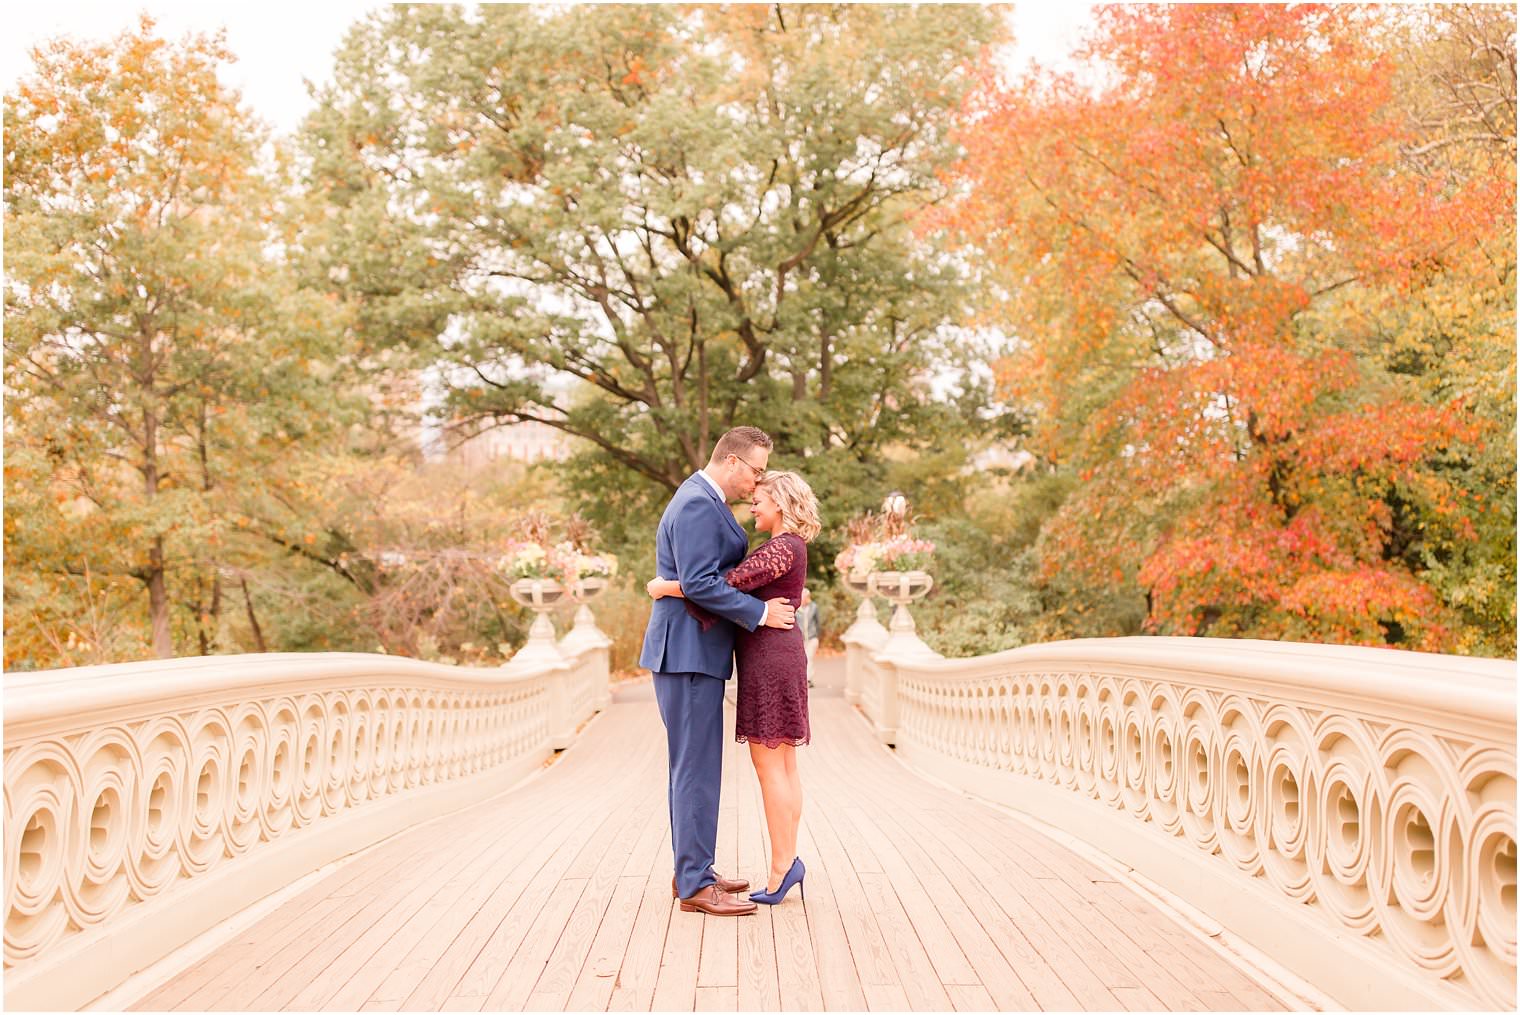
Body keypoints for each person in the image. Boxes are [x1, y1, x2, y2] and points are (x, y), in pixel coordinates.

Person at [638, 427, 797, 917]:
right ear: (731, 462)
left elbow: (699, 579)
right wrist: (758, 614)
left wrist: (667, 586)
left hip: (696, 652)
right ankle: (693, 884)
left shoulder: (706, 502)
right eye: (755, 471)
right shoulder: (696, 504)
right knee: (694, 770)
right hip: (685, 653)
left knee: (698, 767)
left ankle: (696, 870)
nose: (757, 482)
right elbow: (703, 583)